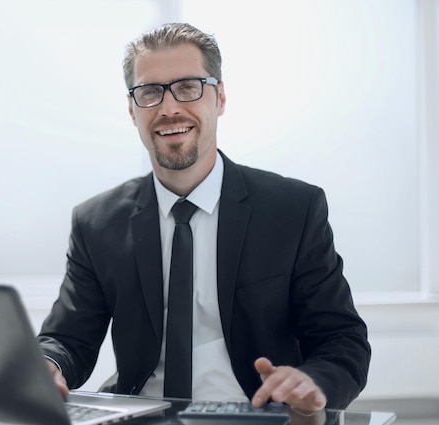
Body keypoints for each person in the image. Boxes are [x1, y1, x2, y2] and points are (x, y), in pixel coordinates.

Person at [38, 22, 370, 412]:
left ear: (220, 97)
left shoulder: (294, 209)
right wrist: (46, 366)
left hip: (257, 415)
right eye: (149, 92)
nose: (169, 108)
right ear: (132, 110)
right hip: (139, 417)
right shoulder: (96, 222)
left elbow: (341, 339)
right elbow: (68, 340)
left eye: (187, 87)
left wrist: (313, 382)